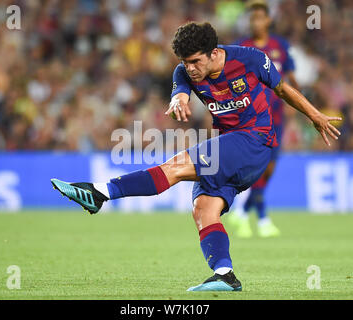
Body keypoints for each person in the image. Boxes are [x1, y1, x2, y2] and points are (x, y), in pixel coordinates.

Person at [51, 22, 341, 292]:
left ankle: (100, 192)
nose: (190, 69)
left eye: (195, 61)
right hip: (229, 147)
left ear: (214, 53)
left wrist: (314, 116)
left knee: (175, 167)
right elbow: (181, 92)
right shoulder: (183, 73)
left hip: (255, 140)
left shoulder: (250, 59)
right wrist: (179, 98)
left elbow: (281, 89)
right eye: (184, 62)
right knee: (203, 210)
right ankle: (225, 274)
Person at [228, 0, 300, 238]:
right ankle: (262, 218)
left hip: (277, 116)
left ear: (268, 20)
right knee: (258, 167)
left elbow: (289, 78)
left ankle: (241, 211)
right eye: (252, 19)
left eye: (260, 18)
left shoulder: (279, 45)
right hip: (253, 119)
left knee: (269, 169)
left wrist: (297, 105)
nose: (256, 22)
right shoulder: (242, 47)